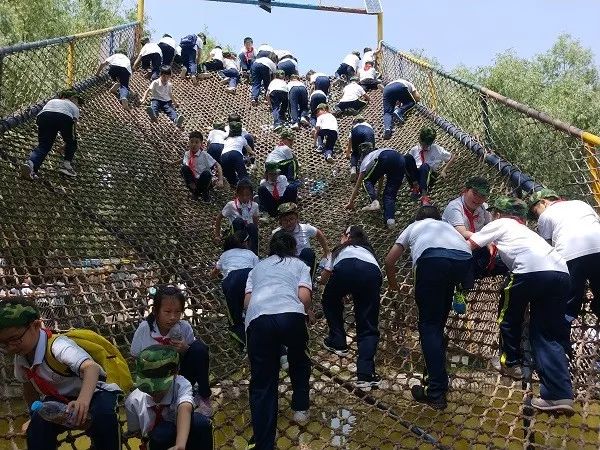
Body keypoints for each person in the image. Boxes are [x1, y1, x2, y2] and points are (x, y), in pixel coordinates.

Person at [469, 197, 574, 413]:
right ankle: (559, 395)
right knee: (545, 335)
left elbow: (469, 245)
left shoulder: (501, 223)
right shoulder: (529, 233)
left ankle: (511, 362)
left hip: (530, 272)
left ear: (498, 214)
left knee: (508, 316)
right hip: (562, 275)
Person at [0, 298, 122, 450]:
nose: (10, 347)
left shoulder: (58, 346)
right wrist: (33, 413)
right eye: (4, 343)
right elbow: (28, 388)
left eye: (15, 339)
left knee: (104, 417)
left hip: (94, 392)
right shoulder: (21, 357)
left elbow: (92, 368)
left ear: (36, 326)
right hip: (59, 399)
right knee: (37, 424)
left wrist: (83, 402)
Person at [384, 205, 474, 410]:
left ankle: (436, 392)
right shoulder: (447, 226)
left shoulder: (414, 226)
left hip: (433, 261)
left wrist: (393, 286)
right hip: (464, 263)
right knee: (436, 326)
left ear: (417, 218)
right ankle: (434, 380)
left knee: (429, 326)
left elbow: (390, 261)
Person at [244, 231, 315, 449]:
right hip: (290, 316)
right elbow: (304, 298)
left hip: (258, 319)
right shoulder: (300, 265)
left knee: (263, 382)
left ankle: (265, 443)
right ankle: (300, 408)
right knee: (300, 360)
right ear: (293, 248)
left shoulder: (257, 268)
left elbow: (247, 302)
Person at [131, 285, 213, 417]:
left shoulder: (184, 328)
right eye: (167, 312)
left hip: (179, 376)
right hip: (154, 380)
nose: (173, 317)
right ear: (155, 311)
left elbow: (195, 357)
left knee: (199, 348)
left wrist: (185, 349)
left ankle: (203, 396)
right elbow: (135, 356)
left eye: (178, 312)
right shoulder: (145, 329)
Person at [320, 226, 382, 388]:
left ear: (347, 236)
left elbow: (325, 277)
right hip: (372, 273)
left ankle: (338, 340)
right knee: (368, 325)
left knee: (328, 299)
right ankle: (365, 374)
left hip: (346, 268)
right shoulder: (369, 251)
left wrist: (337, 290)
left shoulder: (341, 248)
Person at [528, 189, 600, 320]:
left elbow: (548, 246)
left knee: (568, 299)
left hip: (570, 255)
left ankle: (563, 325)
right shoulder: (580, 203)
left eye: (535, 211)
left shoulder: (545, 216)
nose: (537, 216)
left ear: (543, 202)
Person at [125, 345, 214, 450]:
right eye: (147, 388)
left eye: (158, 387)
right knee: (163, 432)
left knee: (200, 423)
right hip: (156, 443)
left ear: (175, 373)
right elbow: (136, 431)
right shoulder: (133, 400)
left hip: (184, 439)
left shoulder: (180, 384)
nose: (153, 391)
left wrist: (180, 445)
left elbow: (185, 408)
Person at [442, 177, 507, 278]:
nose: (478, 199)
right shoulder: (454, 207)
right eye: (475, 193)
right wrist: (486, 241)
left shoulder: (482, 208)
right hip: (455, 251)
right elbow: (463, 233)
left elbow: (491, 226)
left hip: (476, 249)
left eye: (482, 196)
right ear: (465, 191)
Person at [210, 230, 259, 349]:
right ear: (245, 243)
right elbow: (258, 269)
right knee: (254, 309)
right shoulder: (251, 254)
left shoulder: (224, 254)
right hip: (250, 276)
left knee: (234, 319)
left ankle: (246, 342)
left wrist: (211, 276)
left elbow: (215, 272)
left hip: (232, 280)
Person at [21, 89, 82, 180]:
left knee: (43, 146)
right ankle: (66, 166)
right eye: (78, 101)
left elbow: (52, 114)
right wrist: (68, 143)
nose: (78, 104)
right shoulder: (74, 107)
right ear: (72, 98)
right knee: (73, 142)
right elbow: (73, 129)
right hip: (64, 117)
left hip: (43, 116)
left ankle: (31, 165)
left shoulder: (53, 101)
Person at [345, 143, 406, 228]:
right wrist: (378, 193)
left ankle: (374, 202)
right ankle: (390, 220)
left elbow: (357, 186)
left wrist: (351, 202)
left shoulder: (366, 161)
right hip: (400, 159)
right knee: (389, 194)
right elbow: (381, 176)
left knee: (366, 180)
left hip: (385, 157)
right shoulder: (377, 153)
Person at [272, 202, 330, 278]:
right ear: (280, 222)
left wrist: (326, 251)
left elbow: (318, 233)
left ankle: (309, 280)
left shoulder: (305, 228)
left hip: (304, 261)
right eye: (285, 220)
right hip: (287, 262)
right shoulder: (276, 233)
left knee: (308, 252)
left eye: (291, 219)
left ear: (297, 218)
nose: (289, 223)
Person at [404, 127, 455, 205]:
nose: (424, 146)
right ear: (419, 139)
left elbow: (452, 157)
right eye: (422, 144)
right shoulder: (414, 150)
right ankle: (416, 187)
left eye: (427, 145)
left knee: (424, 166)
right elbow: (409, 166)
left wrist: (444, 170)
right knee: (407, 157)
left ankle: (424, 196)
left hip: (429, 176)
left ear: (431, 143)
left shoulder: (436, 149)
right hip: (415, 179)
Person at [214, 179, 259, 255]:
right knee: (238, 221)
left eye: (247, 195)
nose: (245, 197)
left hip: (248, 232)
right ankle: (236, 249)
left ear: (251, 195)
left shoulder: (254, 206)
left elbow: (255, 220)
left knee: (252, 226)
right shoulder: (231, 205)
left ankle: (253, 254)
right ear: (237, 194)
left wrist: (255, 232)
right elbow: (219, 218)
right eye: (242, 195)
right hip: (236, 232)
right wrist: (217, 235)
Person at [181, 131, 224, 202]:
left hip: (204, 181)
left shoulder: (204, 155)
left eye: (197, 142)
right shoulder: (187, 154)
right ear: (188, 142)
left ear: (201, 144)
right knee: (183, 168)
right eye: (191, 142)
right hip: (193, 180)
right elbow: (183, 159)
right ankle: (197, 191)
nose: (194, 144)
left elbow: (218, 165)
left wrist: (220, 180)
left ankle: (197, 193)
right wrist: (172, 163)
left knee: (206, 173)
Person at [219, 121, 254, 187]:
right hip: (236, 154)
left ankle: (235, 187)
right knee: (243, 175)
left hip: (223, 156)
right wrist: (253, 153)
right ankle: (247, 189)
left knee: (231, 177)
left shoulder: (227, 139)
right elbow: (249, 149)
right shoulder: (242, 138)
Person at [345, 116, 375, 182]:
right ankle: (365, 172)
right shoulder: (369, 125)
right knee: (368, 155)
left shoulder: (354, 127)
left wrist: (348, 153)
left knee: (355, 153)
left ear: (355, 122)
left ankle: (353, 169)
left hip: (357, 133)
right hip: (368, 135)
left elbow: (350, 141)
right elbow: (372, 137)